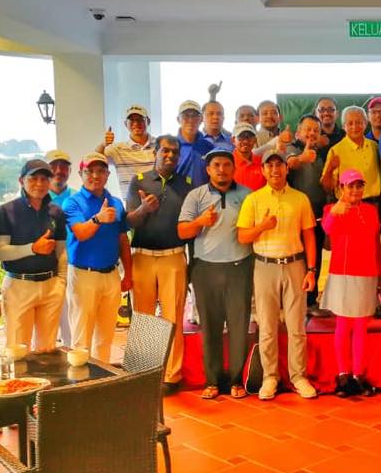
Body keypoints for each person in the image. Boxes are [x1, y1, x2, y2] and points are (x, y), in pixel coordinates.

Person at [236, 150, 319, 401]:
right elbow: (243, 236)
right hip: (264, 266)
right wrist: (263, 227)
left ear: (286, 168)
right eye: (269, 166)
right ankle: (270, 377)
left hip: (295, 264)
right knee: (267, 326)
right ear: (263, 170)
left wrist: (311, 270)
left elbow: (309, 236)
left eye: (279, 165)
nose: (275, 170)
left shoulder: (300, 198)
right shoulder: (253, 199)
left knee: (296, 326)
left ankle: (298, 376)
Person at [178, 148, 254, 400]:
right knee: (210, 326)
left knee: (238, 325)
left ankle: (235, 380)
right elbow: (182, 231)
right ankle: (212, 381)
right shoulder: (196, 196)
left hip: (239, 267)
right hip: (205, 269)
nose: (222, 170)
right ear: (208, 170)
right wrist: (200, 222)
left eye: (226, 165)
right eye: (216, 165)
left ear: (234, 168)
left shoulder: (247, 195)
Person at [125, 135, 193, 394]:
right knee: (143, 317)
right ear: (155, 152)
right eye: (165, 151)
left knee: (172, 317)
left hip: (174, 257)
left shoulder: (186, 185)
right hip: (142, 257)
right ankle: (142, 372)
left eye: (174, 152)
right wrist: (143, 209)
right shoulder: (139, 181)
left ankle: (172, 376)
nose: (170, 156)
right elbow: (129, 221)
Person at [62, 152, 133, 362]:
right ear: (81, 174)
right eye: (89, 171)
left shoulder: (116, 202)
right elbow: (81, 233)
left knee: (105, 337)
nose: (95, 175)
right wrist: (98, 219)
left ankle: (101, 378)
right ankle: (80, 380)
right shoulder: (72, 203)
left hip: (111, 275)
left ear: (108, 174)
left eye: (101, 171)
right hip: (83, 275)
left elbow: (123, 239)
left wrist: (128, 274)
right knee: (81, 339)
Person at [0, 159, 67, 352]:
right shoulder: (6, 211)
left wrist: (61, 283)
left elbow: (61, 251)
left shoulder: (56, 212)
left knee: (47, 350)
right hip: (19, 286)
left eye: (44, 179)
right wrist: (33, 248)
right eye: (33, 178)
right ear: (21, 180)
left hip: (51, 286)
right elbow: (1, 252)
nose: (39, 184)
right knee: (18, 349)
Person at [321, 170, 381, 397]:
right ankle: (343, 375)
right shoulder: (331, 209)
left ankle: (358, 375)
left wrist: (380, 275)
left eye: (359, 186)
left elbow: (375, 243)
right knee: (343, 324)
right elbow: (327, 229)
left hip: (367, 273)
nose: (355, 190)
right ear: (341, 188)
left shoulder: (371, 210)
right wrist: (335, 211)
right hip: (343, 273)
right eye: (350, 186)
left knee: (361, 325)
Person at [286, 115, 328, 311]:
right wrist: (302, 158)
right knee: (296, 260)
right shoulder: (291, 148)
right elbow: (290, 163)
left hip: (317, 216)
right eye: (307, 129)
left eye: (316, 130)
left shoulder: (320, 154)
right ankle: (294, 302)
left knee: (315, 259)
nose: (312, 133)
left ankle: (311, 301)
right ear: (298, 133)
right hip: (294, 218)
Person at [322, 106, 381, 202]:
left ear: (365, 123)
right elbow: (328, 187)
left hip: (375, 203)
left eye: (359, 122)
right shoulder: (336, 150)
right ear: (344, 126)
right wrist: (330, 169)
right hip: (348, 205)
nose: (354, 127)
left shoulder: (374, 146)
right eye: (350, 123)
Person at [45, 149, 75, 345]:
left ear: (70, 171)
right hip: (44, 270)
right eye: (53, 166)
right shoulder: (37, 199)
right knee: (43, 330)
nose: (58, 171)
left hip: (72, 268)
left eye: (63, 167)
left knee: (71, 326)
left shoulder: (77, 198)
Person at [97, 105, 157, 199]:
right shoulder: (118, 149)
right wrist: (103, 144)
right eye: (131, 120)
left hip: (159, 202)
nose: (136, 123)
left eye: (140, 119)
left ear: (148, 121)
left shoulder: (160, 145)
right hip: (132, 205)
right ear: (126, 124)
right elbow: (94, 159)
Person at [175, 100, 214, 187]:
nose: (190, 120)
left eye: (195, 116)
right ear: (178, 119)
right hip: (176, 194)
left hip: (203, 194)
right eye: (186, 116)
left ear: (201, 119)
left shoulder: (209, 147)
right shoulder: (171, 146)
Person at [232, 123, 266, 190]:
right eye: (241, 137)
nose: (245, 141)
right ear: (233, 140)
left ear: (255, 140)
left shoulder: (263, 162)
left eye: (249, 137)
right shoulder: (227, 163)